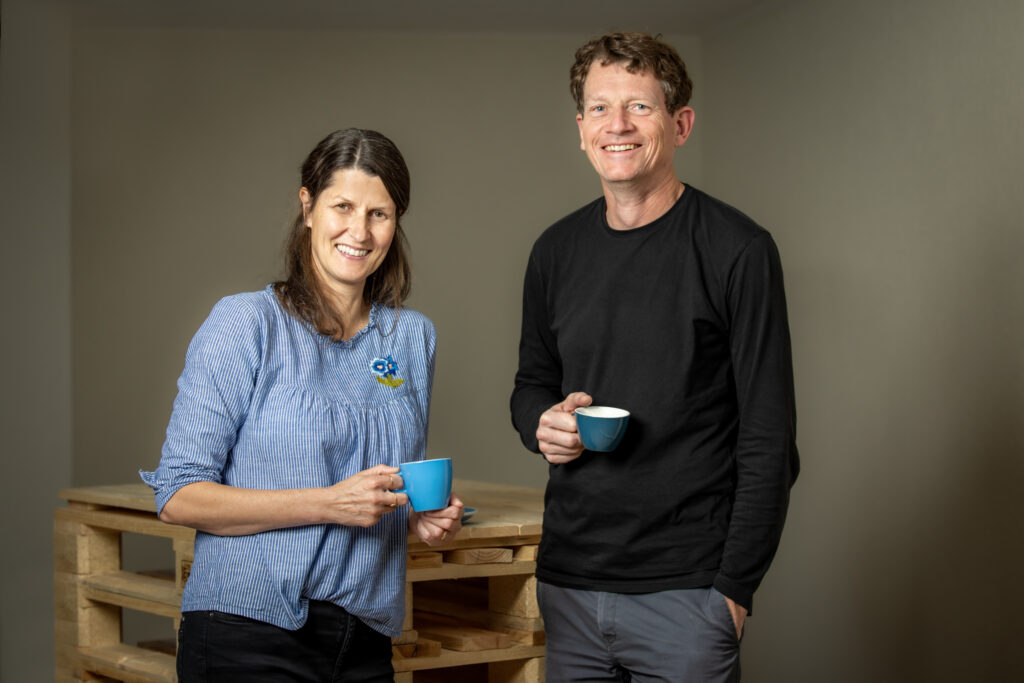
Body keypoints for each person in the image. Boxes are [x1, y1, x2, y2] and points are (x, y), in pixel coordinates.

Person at [510, 33, 799, 682]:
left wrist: (732, 591)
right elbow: (531, 384)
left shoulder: (737, 249)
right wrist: (541, 423)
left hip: (688, 595)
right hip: (569, 585)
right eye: (599, 108)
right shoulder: (554, 251)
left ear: (681, 124)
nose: (617, 124)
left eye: (639, 106)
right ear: (581, 128)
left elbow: (769, 439)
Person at [141, 128, 462, 682]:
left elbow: (383, 493)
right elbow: (178, 495)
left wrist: (421, 519)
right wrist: (328, 504)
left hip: (364, 641)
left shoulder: (413, 339)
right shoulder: (245, 323)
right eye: (343, 207)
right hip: (245, 632)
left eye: (379, 214)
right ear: (308, 206)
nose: (359, 232)